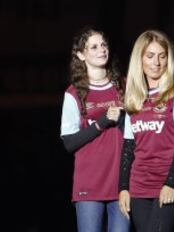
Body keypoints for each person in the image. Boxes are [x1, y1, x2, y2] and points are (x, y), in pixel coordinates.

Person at [118, 30, 174, 232]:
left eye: (162, 56)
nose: (156, 62)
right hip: (139, 185)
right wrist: (124, 188)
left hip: (170, 184)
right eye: (150, 56)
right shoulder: (133, 98)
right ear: (139, 59)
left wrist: (171, 183)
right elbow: (128, 147)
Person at [60, 26, 129, 232]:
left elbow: (136, 131)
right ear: (81, 54)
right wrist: (102, 122)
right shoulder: (74, 93)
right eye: (94, 47)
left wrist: (122, 119)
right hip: (89, 185)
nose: (102, 50)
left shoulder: (123, 86)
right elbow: (69, 143)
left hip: (122, 185)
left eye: (104, 45)